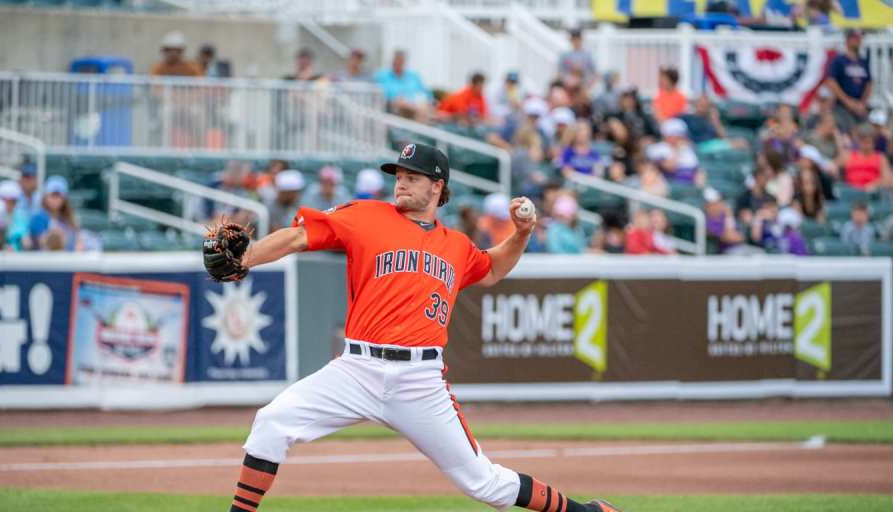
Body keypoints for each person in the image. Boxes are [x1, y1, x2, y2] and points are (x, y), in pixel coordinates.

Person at [220, 142, 621, 512]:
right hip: (356, 369)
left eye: (412, 177)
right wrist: (247, 258)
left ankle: (586, 511)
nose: (402, 184)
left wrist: (522, 233)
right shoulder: (365, 215)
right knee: (272, 422)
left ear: (436, 187)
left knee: (483, 483)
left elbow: (495, 267)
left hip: (420, 379)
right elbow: (297, 237)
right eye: (399, 176)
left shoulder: (457, 245)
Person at [826, 29, 872, 133]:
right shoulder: (839, 60)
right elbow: (831, 82)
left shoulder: (863, 61)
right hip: (842, 106)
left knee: (867, 132)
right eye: (855, 38)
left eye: (860, 38)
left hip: (860, 106)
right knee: (849, 131)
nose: (859, 41)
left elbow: (869, 83)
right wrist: (848, 102)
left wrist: (862, 103)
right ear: (847, 40)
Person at [375, 50, 433, 121]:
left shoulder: (414, 76)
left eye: (401, 60)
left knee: (424, 109)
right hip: (394, 108)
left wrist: (423, 103)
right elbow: (382, 96)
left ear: (404, 62)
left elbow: (426, 94)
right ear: (392, 61)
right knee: (414, 110)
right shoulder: (381, 76)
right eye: (396, 60)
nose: (398, 63)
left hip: (416, 106)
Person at [646, 118, 705, 186]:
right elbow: (670, 167)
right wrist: (678, 150)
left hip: (690, 185)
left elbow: (698, 170)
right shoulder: (657, 148)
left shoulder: (687, 148)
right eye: (677, 135)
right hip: (670, 184)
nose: (681, 137)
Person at [29, 176, 80, 252]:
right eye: (53, 195)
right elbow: (42, 242)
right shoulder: (38, 218)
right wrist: (56, 238)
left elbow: (77, 241)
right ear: (45, 197)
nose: (55, 199)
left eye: (59, 196)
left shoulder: (68, 218)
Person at [839, 128, 893, 193]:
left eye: (868, 142)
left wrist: (875, 185)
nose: (866, 145)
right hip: (851, 192)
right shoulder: (848, 156)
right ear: (859, 141)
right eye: (863, 142)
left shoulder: (880, 158)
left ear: (873, 143)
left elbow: (887, 178)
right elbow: (832, 167)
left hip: (872, 193)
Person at [704, 187, 744, 253]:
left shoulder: (725, 216)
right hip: (724, 253)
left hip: (739, 248)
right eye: (712, 204)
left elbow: (741, 237)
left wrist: (728, 214)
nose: (717, 206)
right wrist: (728, 214)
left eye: (718, 203)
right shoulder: (708, 221)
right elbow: (729, 237)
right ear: (706, 206)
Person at [0, 179, 30, 251]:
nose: (8, 204)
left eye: (12, 201)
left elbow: (25, 241)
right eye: (5, 200)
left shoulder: (22, 216)